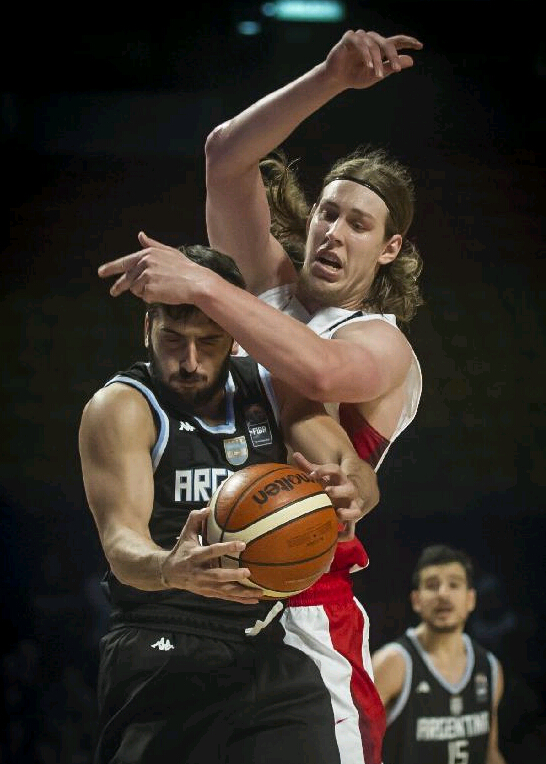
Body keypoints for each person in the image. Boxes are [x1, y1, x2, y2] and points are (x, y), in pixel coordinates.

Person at [96, 27, 424, 764]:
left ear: (390, 249)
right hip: (203, 598)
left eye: (359, 223)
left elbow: (318, 376)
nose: (333, 231)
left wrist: (205, 283)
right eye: (327, 213)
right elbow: (224, 158)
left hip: (307, 611)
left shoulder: (381, 342)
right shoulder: (269, 289)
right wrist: (330, 78)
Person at [79, 244, 380, 764]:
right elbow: (120, 544)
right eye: (172, 339)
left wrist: (351, 490)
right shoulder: (123, 406)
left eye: (209, 342)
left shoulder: (270, 386)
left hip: (262, 643)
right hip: (162, 642)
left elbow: (355, 471)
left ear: (234, 339)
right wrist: (170, 568)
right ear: (146, 328)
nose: (189, 361)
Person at [371, 544, 507, 764]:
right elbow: (354, 746)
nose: (443, 594)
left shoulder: (489, 668)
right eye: (432, 585)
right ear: (416, 600)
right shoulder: (392, 663)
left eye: (454, 584)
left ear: (470, 599)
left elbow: (489, 753)